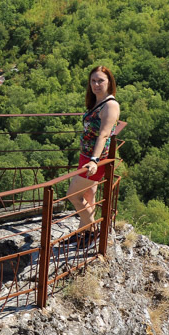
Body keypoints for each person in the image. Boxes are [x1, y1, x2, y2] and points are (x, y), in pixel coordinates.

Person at [66, 66, 120, 235]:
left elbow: (103, 135)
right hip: (86, 157)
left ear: (109, 82)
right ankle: (84, 233)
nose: (96, 84)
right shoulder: (97, 102)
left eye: (100, 80)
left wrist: (94, 160)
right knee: (88, 197)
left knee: (73, 195)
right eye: (93, 81)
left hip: (95, 161)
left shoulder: (110, 105)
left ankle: (93, 231)